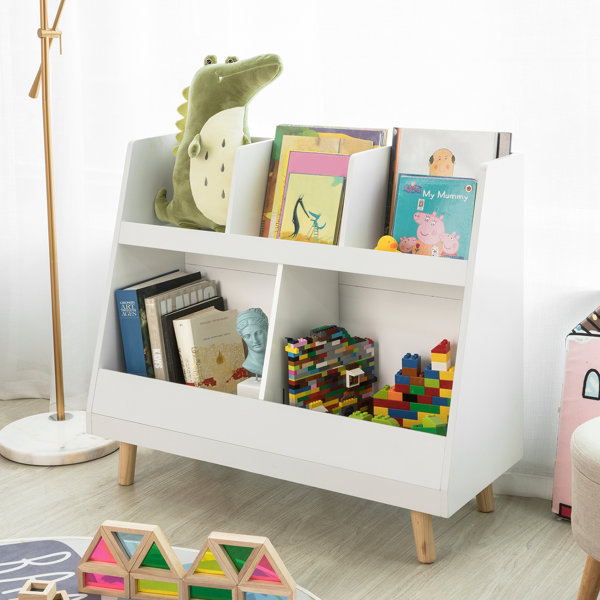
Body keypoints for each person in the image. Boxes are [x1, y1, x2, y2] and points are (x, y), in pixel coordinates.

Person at [236, 308, 268, 377]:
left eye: (258, 333)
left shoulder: (277, 361)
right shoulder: (249, 365)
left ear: (267, 329)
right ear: (243, 338)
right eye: (247, 336)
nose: (255, 340)